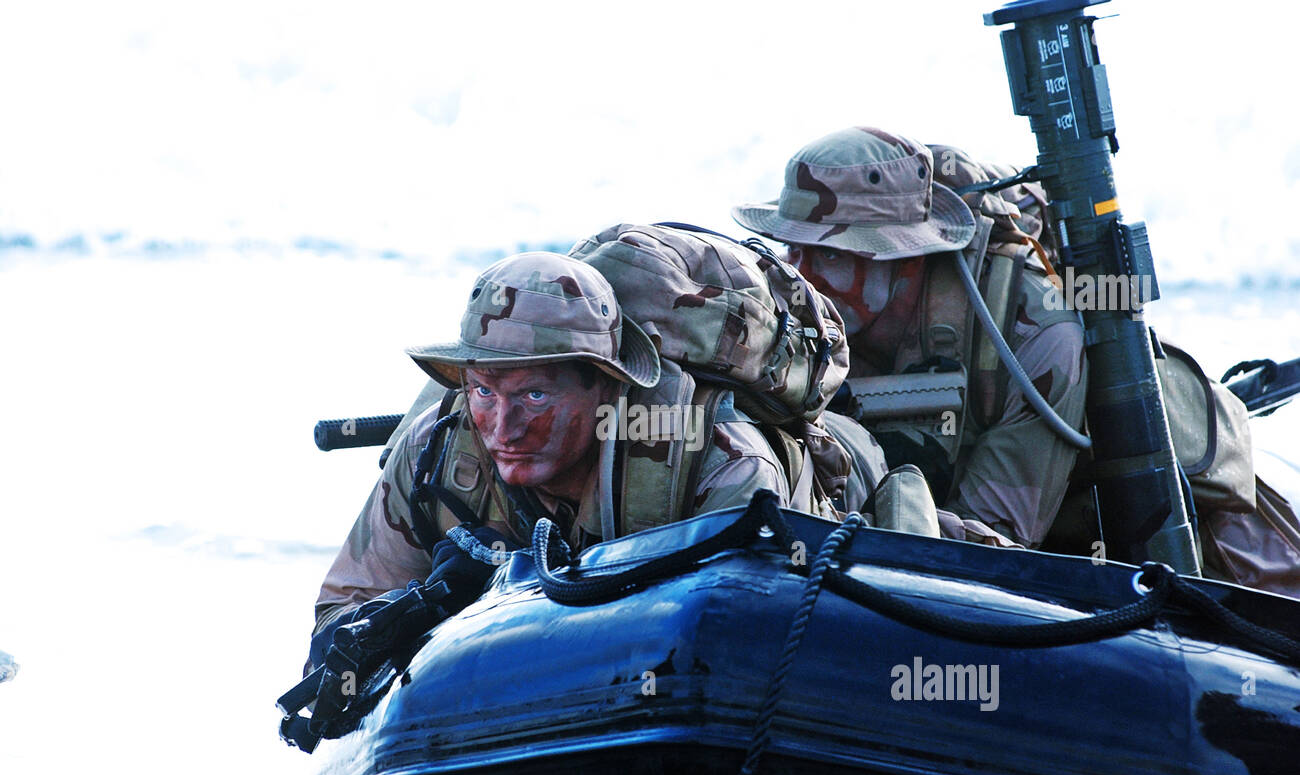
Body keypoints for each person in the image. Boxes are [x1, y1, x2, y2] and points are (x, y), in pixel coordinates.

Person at [311, 252, 797, 653]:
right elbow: (336, 626)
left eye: (535, 396)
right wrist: (426, 610)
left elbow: (744, 645)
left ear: (608, 387)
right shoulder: (433, 451)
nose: (504, 429)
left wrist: (508, 602)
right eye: (483, 392)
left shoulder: (718, 466)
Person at [732, 126, 1087, 549]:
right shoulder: (798, 316)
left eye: (829, 253)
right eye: (793, 248)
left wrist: (844, 513)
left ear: (906, 258)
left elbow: (996, 550)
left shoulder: (1031, 338)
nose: (800, 278)